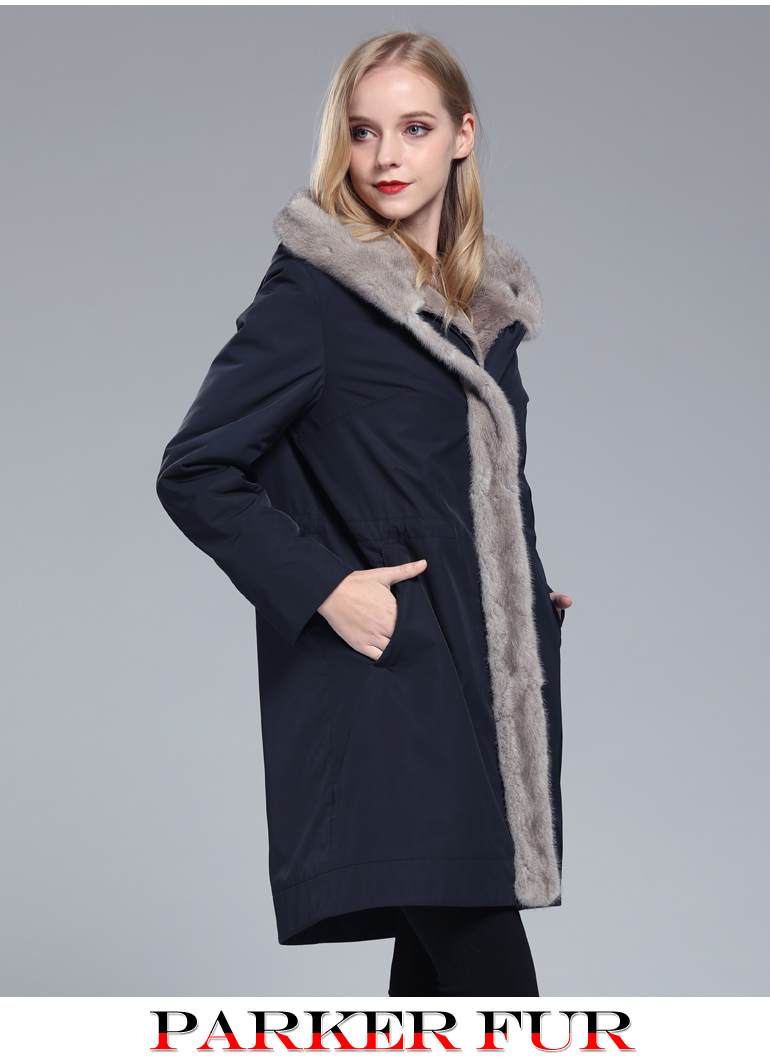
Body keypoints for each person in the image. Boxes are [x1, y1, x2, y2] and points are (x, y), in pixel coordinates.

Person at [156, 30, 571, 997]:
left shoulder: (475, 312)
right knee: (496, 995)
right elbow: (195, 469)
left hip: (472, 678)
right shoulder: (315, 294)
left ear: (462, 136)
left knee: (436, 998)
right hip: (387, 683)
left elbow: (461, 486)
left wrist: (521, 587)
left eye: (415, 128)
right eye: (363, 131)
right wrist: (327, 587)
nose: (386, 155)